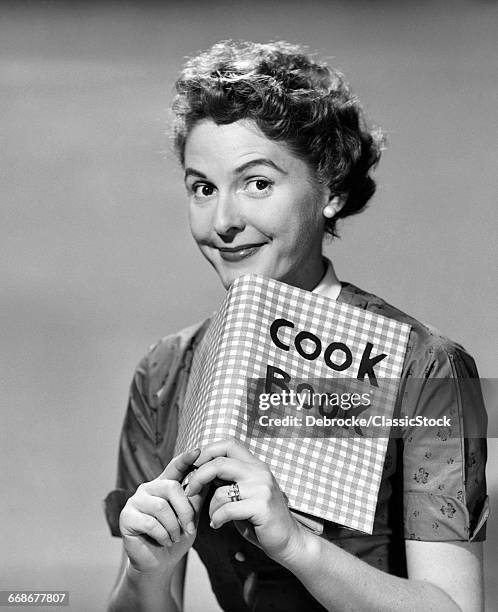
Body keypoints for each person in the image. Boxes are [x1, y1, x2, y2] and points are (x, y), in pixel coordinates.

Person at [104, 40, 488, 611]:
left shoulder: (423, 365)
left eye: (257, 182)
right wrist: (147, 572)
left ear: (330, 187)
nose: (225, 221)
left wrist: (298, 545)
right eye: (203, 187)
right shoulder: (165, 371)